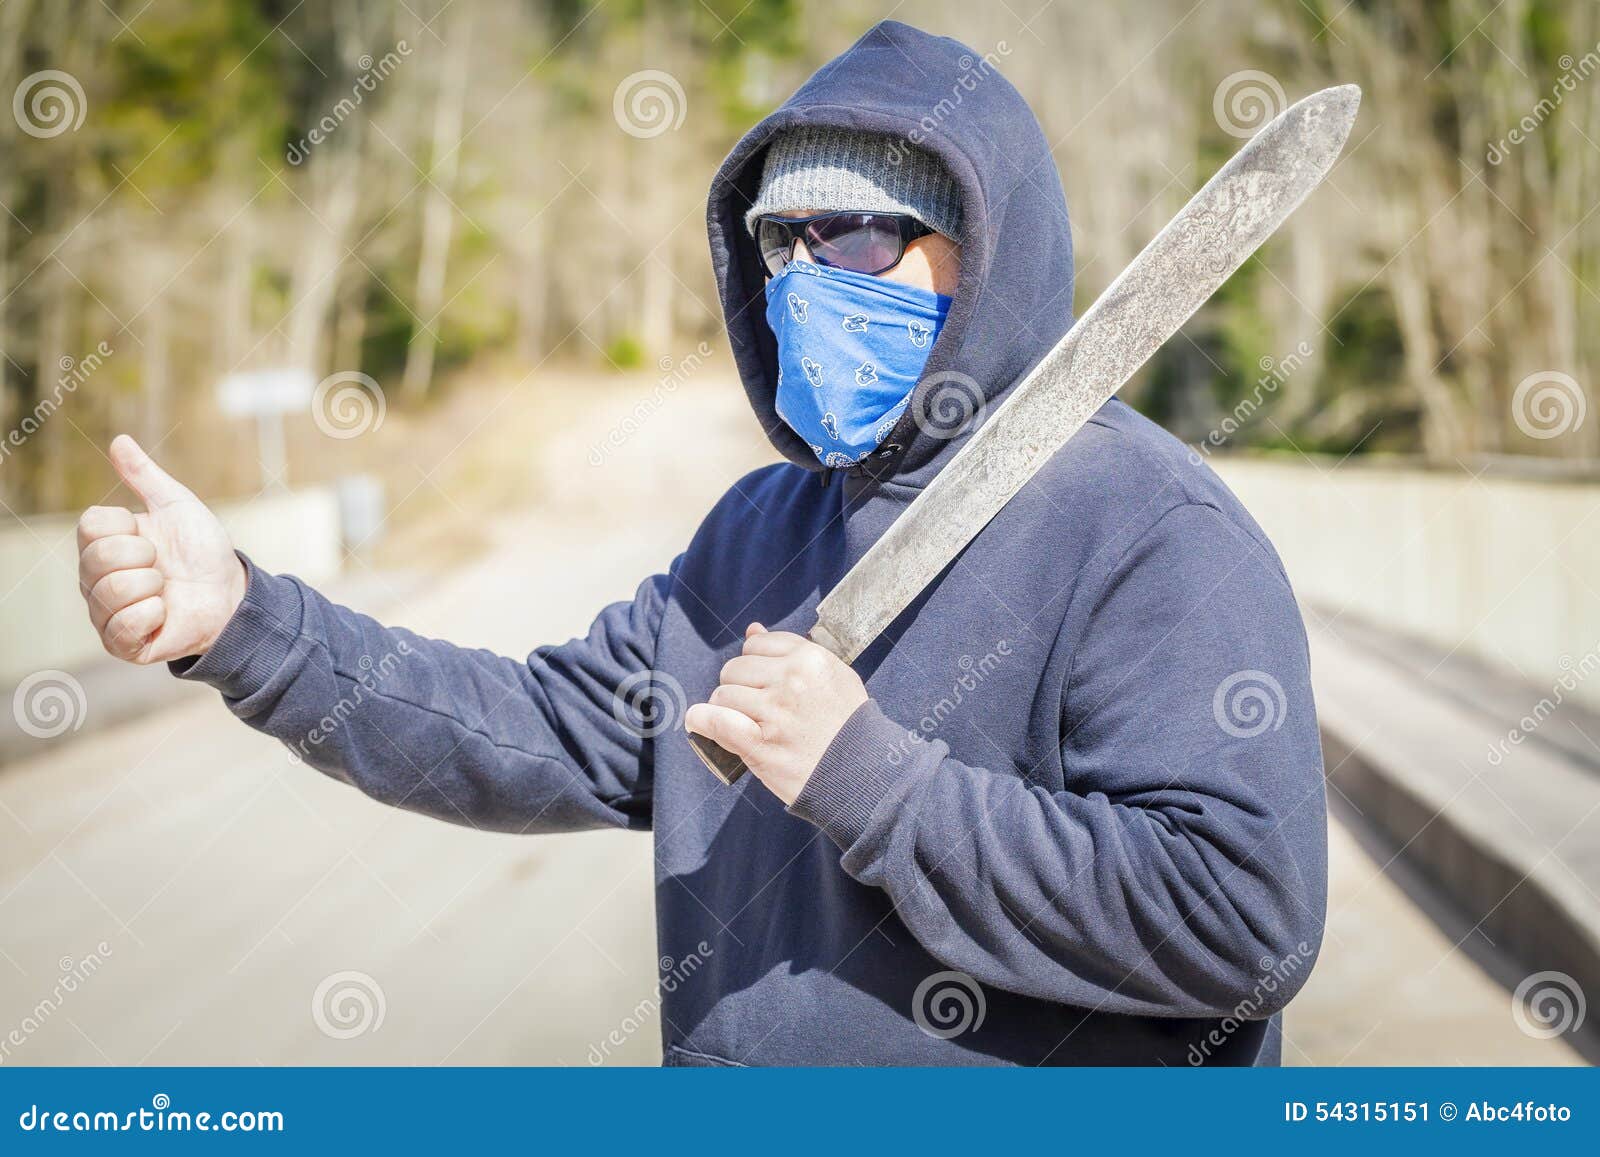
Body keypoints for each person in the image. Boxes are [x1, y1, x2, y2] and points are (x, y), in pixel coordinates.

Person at [74, 20, 1327, 1065]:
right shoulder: (756, 534)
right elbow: (529, 731)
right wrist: (245, 623)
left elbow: (1243, 924)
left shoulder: (1148, 531)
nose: (801, 277)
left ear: (981, 255)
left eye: (854, 235)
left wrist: (873, 780)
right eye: (781, 243)